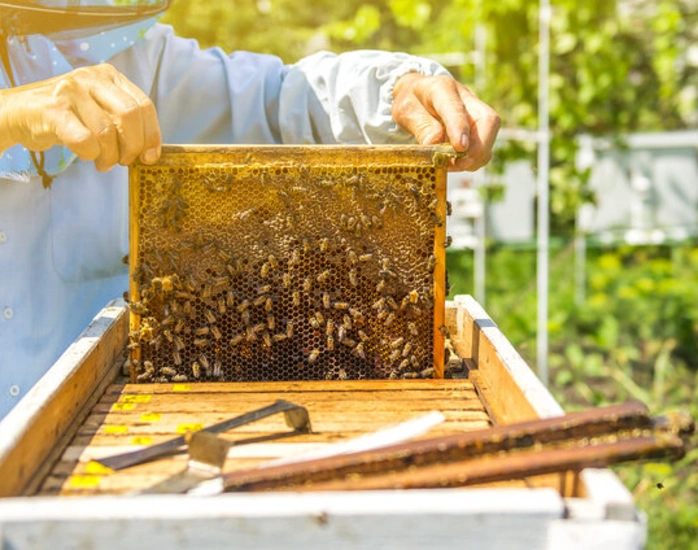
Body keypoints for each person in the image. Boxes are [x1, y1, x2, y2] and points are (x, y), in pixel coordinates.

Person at [0, 0, 500, 418]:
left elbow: (279, 102)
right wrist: (11, 114)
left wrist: (395, 92)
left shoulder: (108, 52)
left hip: (91, 461)